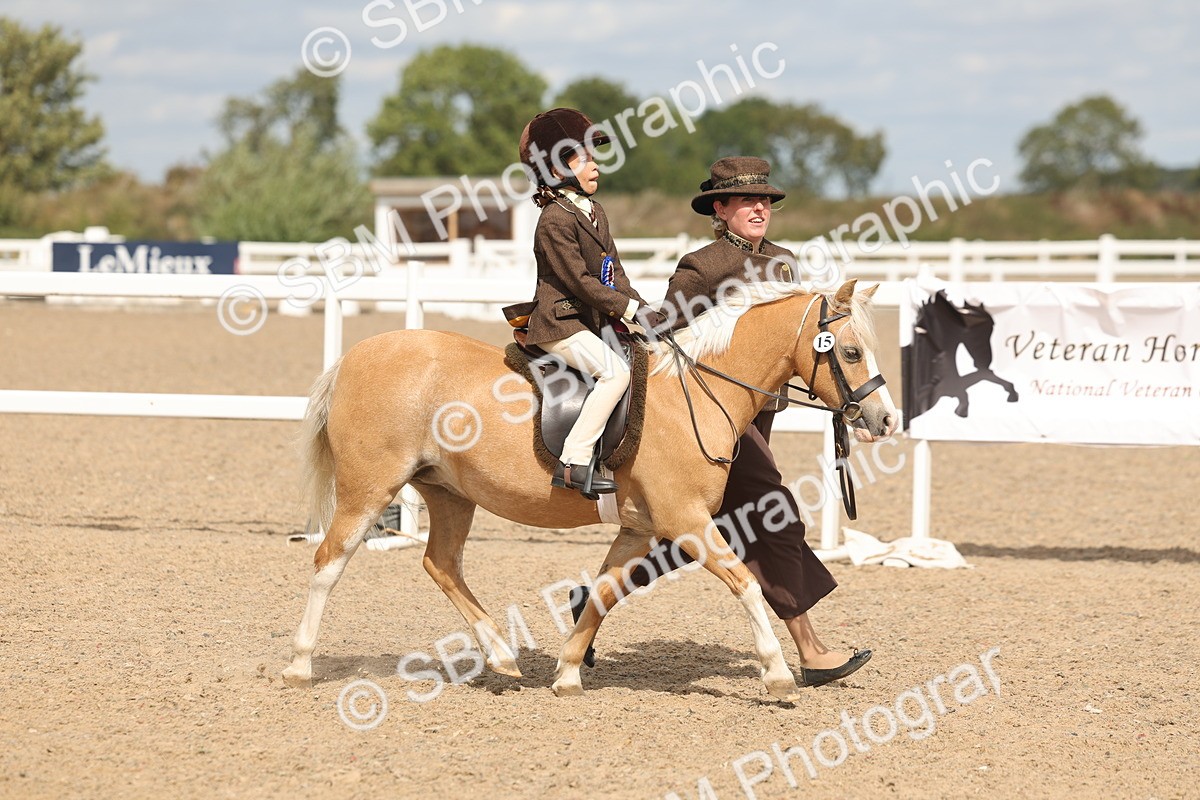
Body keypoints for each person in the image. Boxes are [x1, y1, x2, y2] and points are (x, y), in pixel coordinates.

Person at [573, 156, 871, 686]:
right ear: (720, 209)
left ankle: (589, 608)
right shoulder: (702, 265)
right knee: (771, 517)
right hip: (706, 420)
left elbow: (802, 340)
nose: (760, 209)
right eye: (746, 201)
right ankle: (811, 649)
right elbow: (665, 339)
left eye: (766, 201)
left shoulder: (783, 261)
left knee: (685, 529)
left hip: (764, 411)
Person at [517, 108, 662, 496]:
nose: (596, 167)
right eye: (584, 158)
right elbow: (580, 282)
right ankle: (573, 462)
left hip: (590, 322)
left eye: (594, 158)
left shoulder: (595, 212)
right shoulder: (553, 219)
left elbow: (613, 274)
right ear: (557, 167)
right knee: (616, 373)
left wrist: (647, 310)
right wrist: (629, 310)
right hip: (559, 323)